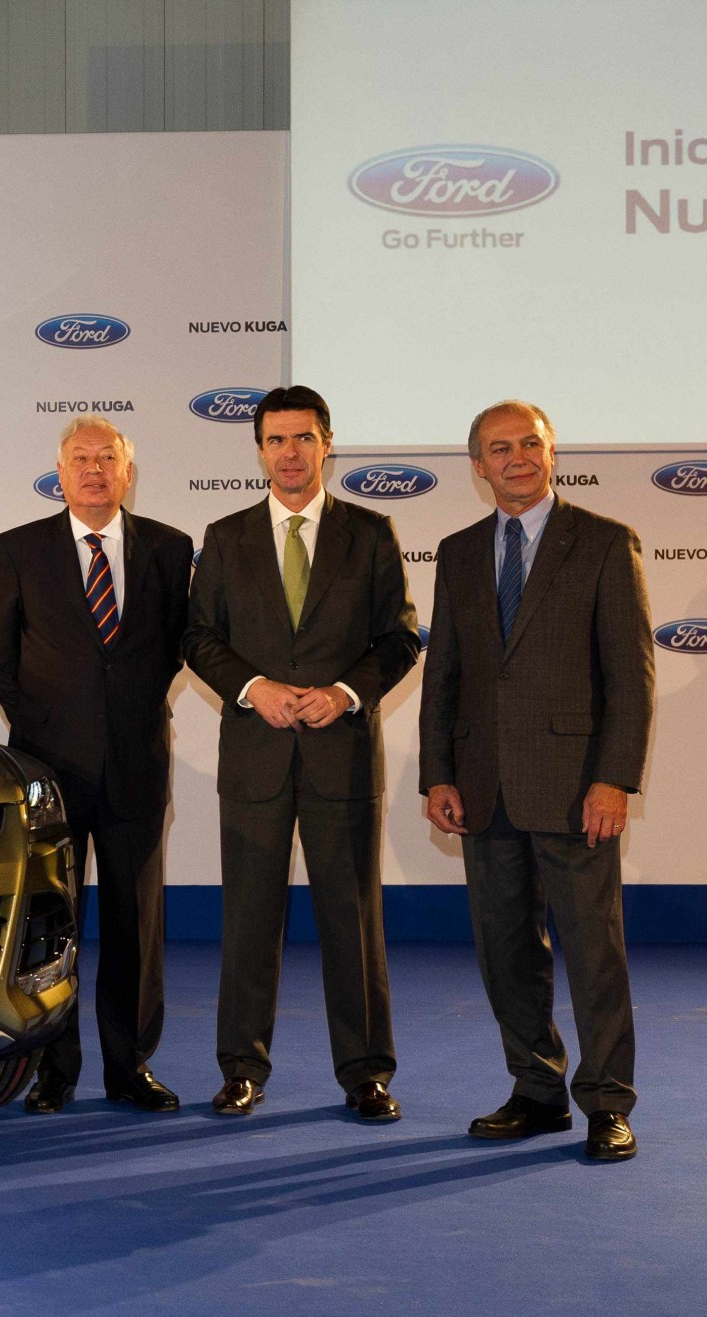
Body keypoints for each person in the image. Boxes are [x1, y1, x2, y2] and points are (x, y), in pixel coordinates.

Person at [419, 401, 652, 1162]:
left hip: (576, 787)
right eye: (500, 448)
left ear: (552, 454)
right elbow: (444, 673)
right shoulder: (457, 552)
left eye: (530, 443)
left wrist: (614, 779)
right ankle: (537, 1089)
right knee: (506, 953)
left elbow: (630, 677)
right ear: (478, 466)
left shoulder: (605, 541)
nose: (517, 458)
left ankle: (607, 1102)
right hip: (482, 788)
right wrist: (438, 774)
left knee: (593, 953)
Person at [183, 385, 419, 1120]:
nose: (290, 453)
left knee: (353, 923)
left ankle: (367, 1074)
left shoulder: (371, 532)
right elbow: (198, 638)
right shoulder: (225, 537)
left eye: (304, 438)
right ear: (259, 450)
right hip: (254, 758)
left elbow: (400, 638)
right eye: (276, 440)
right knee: (249, 922)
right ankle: (241, 1068)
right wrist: (254, 687)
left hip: (341, 757)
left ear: (327, 443)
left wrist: (345, 692)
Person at [0, 416, 192, 1113]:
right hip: (51, 770)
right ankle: (55, 1069)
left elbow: (174, 646)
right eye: (81, 458)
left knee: (137, 924)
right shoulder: (20, 548)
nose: (94, 469)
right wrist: (42, 728)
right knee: (53, 925)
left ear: (127, 473)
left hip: (137, 764)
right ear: (61, 472)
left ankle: (130, 1067)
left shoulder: (169, 548)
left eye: (107, 458)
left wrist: (127, 708)